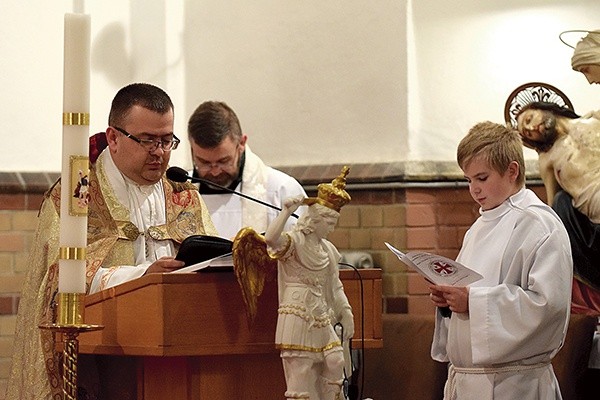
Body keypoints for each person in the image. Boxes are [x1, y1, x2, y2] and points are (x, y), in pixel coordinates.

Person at [6, 83, 217, 399]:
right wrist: (140, 278)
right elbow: (56, 284)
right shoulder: (75, 198)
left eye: (166, 140)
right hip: (105, 359)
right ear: (114, 137)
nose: (159, 152)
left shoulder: (183, 195)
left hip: (176, 360)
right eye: (147, 140)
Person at [428, 121, 572, 400]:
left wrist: (472, 301)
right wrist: (448, 301)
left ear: (512, 170)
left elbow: (547, 305)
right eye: (469, 180)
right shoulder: (478, 227)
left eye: (482, 178)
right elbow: (467, 292)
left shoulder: (539, 224)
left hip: (515, 385)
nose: (474, 189)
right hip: (466, 381)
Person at [263, 167, 354, 400]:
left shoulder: (328, 250)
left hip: (321, 312)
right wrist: (286, 212)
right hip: (297, 313)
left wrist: (346, 312)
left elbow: (335, 285)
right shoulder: (294, 242)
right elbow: (270, 240)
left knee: (336, 359)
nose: (332, 228)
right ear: (314, 220)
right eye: (329, 222)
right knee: (301, 370)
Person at [515, 101, 600, 315]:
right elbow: (554, 212)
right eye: (527, 134)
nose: (532, 128)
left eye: (529, 119)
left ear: (544, 107)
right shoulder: (548, 160)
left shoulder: (594, 120)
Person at [187, 100, 306, 239]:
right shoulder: (177, 195)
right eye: (204, 162)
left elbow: (305, 251)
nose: (215, 171)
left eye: (223, 161)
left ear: (242, 143)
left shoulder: (281, 190)